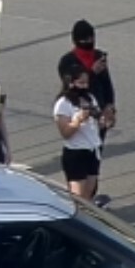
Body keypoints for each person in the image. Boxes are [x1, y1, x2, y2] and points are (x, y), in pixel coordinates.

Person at [59, 19, 116, 205]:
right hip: (79, 118)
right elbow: (74, 86)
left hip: (97, 117)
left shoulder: (98, 56)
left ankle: (89, 202)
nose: (88, 42)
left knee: (94, 163)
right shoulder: (68, 62)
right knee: (79, 169)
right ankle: (79, 204)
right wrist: (92, 72)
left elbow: (107, 85)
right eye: (84, 39)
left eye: (91, 38)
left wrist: (110, 106)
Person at [54, 56, 112, 203]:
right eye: (80, 83)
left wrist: (103, 121)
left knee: (89, 193)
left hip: (92, 149)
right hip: (75, 152)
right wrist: (78, 120)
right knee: (78, 197)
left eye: (86, 83)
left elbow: (98, 120)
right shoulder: (63, 104)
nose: (84, 86)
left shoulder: (90, 97)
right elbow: (65, 133)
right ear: (71, 83)